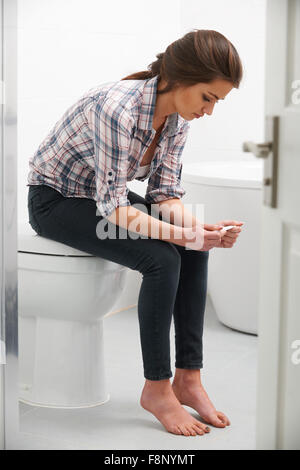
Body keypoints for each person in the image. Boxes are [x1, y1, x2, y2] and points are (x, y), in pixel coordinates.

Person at [27, 29, 244, 437]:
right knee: (161, 259)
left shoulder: (178, 118)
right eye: (208, 98)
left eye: (217, 101)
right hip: (55, 200)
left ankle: (189, 379)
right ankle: (157, 389)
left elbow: (163, 193)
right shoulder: (117, 108)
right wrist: (182, 235)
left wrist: (199, 230)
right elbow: (114, 208)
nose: (210, 111)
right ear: (180, 78)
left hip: (98, 196)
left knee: (195, 249)